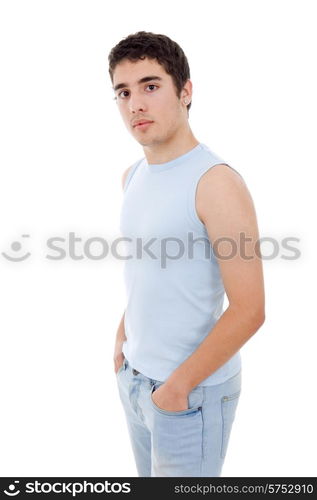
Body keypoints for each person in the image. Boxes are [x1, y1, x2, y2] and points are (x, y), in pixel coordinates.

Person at [108, 31, 265, 477]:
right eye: (123, 92)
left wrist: (177, 388)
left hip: (189, 396)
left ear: (186, 91)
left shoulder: (215, 183)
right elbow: (150, 269)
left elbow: (251, 309)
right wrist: (123, 339)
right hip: (136, 381)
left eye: (150, 86)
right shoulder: (132, 176)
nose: (135, 103)